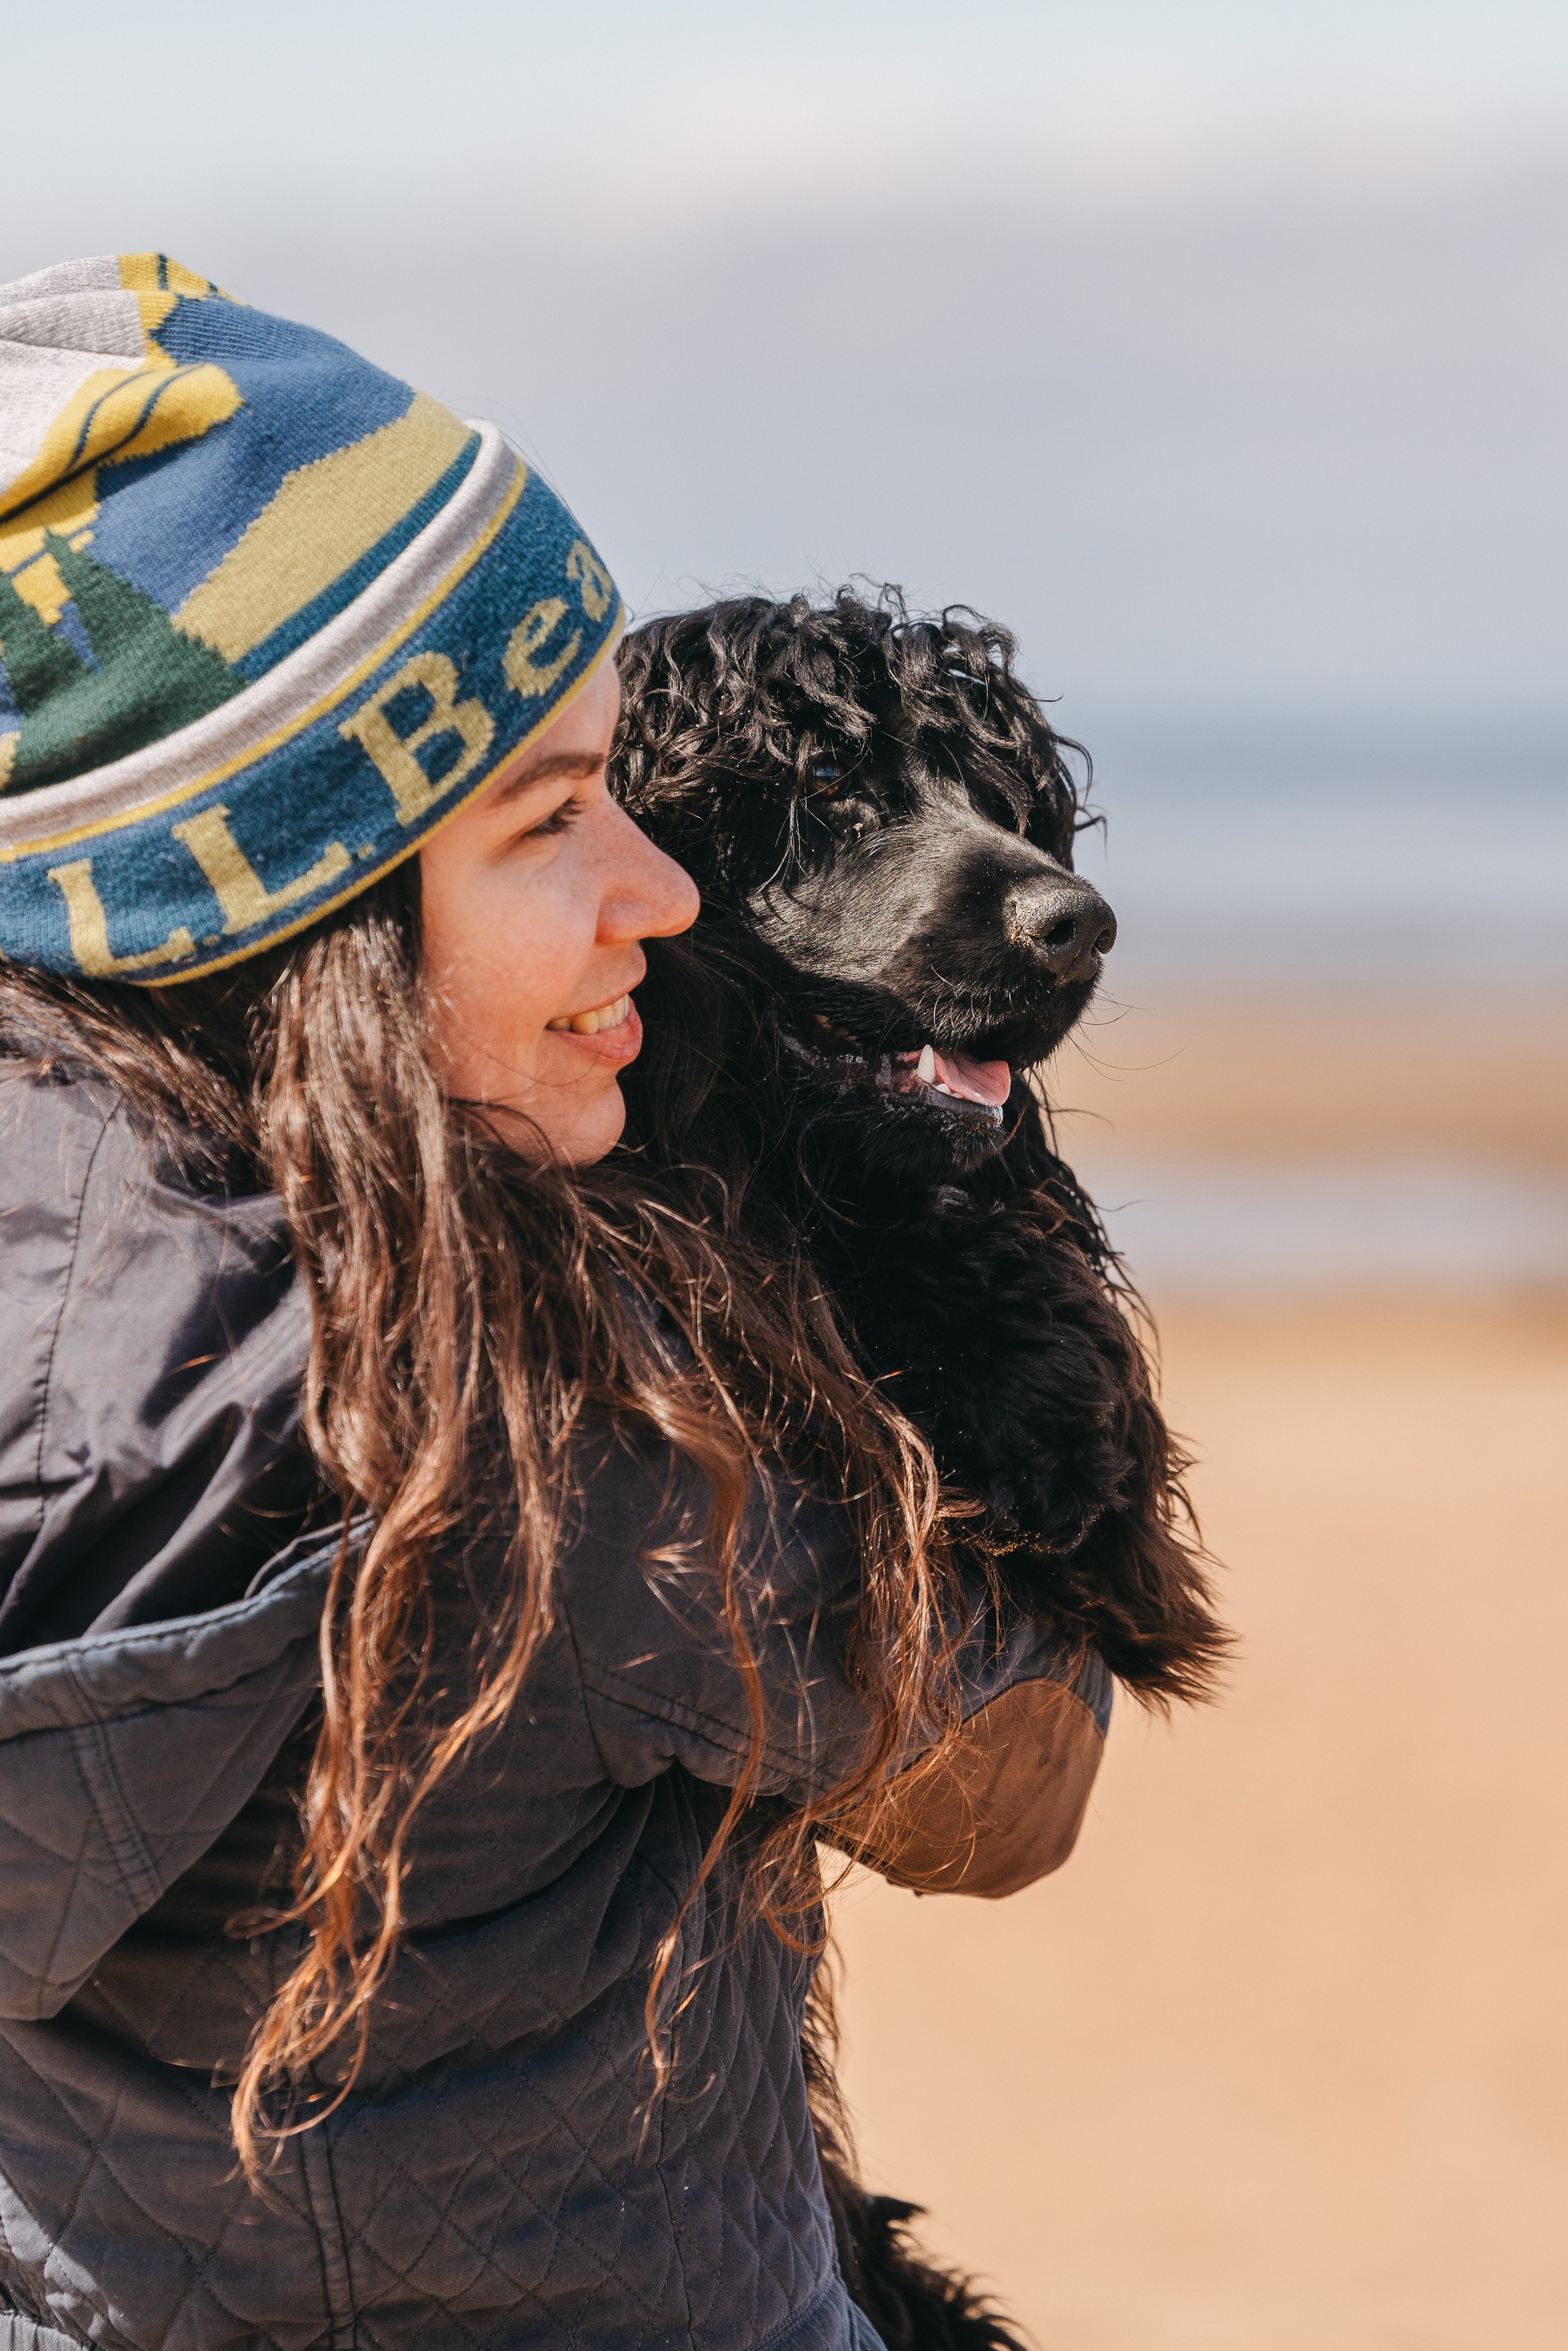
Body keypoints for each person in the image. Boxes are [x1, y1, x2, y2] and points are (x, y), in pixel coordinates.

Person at [0, 257, 1109, 2351]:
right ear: (285, 910)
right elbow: (1019, 1783)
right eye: (549, 818)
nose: (661, 895)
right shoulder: (568, 1434)